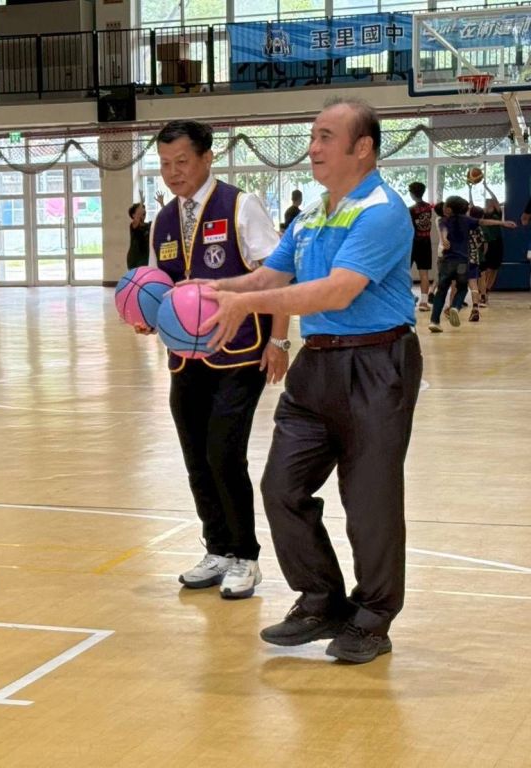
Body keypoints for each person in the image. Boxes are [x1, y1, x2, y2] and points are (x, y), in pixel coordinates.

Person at [197, 97, 423, 664]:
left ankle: (373, 619)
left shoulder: (380, 211)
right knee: (282, 487)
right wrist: (207, 291)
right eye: (313, 135)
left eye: (325, 136)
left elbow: (338, 291)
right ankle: (321, 599)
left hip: (377, 364)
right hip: (316, 366)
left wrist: (247, 307)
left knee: (369, 501)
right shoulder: (314, 214)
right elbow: (270, 276)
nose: (313, 147)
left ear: (362, 148)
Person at [140, 120, 289, 599]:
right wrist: (146, 317)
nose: (173, 172)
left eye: (182, 162)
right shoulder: (163, 220)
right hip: (185, 359)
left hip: (239, 354)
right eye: (165, 164)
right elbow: (160, 288)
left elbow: (277, 276)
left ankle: (245, 556)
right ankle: (218, 549)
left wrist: (279, 341)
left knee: (224, 452)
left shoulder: (241, 206)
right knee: (196, 457)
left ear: (207, 158)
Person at [429, 196, 514, 333]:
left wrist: (444, 239)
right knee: (462, 288)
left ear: (449, 209)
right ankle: (455, 307)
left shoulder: (443, 220)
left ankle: (434, 321)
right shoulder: (467, 220)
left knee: (442, 290)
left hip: (447, 262)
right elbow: (484, 221)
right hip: (463, 262)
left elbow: (444, 230)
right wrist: (502, 223)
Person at [407, 182, 434, 310]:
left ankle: (408, 298)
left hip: (413, 242)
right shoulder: (429, 207)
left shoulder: (411, 210)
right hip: (425, 242)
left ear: (412, 194)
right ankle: (424, 302)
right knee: (424, 274)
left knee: (405, 272)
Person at [479, 195, 504, 305]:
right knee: (487, 269)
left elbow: (495, 198)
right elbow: (472, 206)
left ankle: (487, 290)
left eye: (490, 201)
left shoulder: (498, 212)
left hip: (498, 241)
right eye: (487, 202)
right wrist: (470, 190)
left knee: (495, 268)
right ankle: (483, 292)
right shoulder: (484, 213)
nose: (489, 203)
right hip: (488, 242)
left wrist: (486, 187)